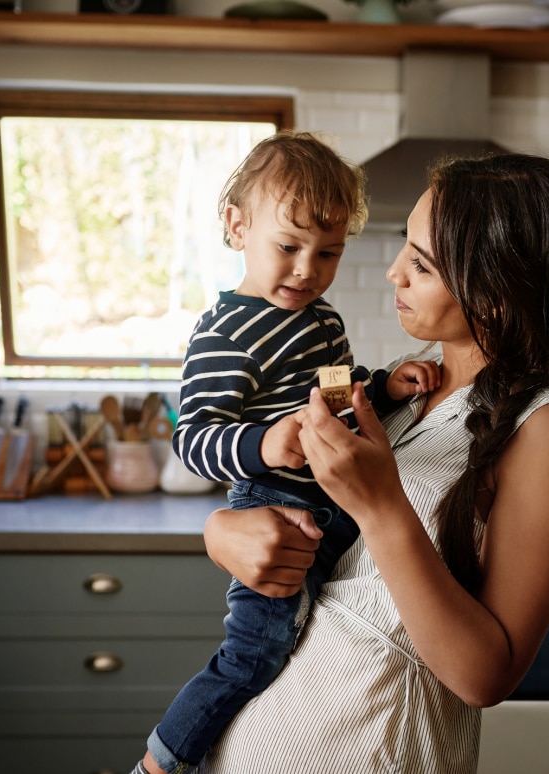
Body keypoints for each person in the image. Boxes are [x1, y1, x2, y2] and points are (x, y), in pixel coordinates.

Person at [140, 151, 549, 774]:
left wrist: (381, 505)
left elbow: (484, 675)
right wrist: (222, 531)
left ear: (493, 291)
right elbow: (328, 556)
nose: (393, 273)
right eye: (403, 250)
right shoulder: (408, 394)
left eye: (420, 263)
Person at [143, 130, 440, 774]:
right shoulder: (225, 332)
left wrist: (382, 386)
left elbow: (336, 398)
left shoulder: (323, 321)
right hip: (274, 505)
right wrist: (262, 442)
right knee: (253, 655)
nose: (307, 269)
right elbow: (193, 439)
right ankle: (162, 760)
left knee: (309, 648)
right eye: (289, 246)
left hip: (331, 504)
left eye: (328, 253)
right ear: (236, 225)